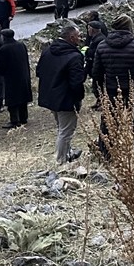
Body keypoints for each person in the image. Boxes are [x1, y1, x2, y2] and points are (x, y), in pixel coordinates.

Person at [94, 15, 134, 155]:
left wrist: (99, 94)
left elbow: (97, 73)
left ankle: (106, 154)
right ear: (129, 27)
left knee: (108, 124)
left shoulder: (102, 46)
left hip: (111, 91)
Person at [36, 22, 86, 164]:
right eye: (78, 36)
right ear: (71, 37)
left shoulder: (47, 51)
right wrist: (79, 97)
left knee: (61, 128)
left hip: (50, 96)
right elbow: (77, 82)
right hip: (66, 98)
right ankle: (61, 161)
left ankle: (67, 152)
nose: (80, 38)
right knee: (66, 131)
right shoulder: (74, 57)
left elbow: (39, 71)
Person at [0, 28, 32, 128]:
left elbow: (2, 66)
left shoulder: (3, 49)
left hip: (11, 77)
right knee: (23, 97)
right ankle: (24, 118)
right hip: (23, 75)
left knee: (12, 100)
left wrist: (1, 73)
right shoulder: (21, 45)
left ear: (3, 37)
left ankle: (14, 120)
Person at [83, 20, 107, 109]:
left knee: (99, 86)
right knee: (96, 86)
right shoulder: (95, 38)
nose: (88, 31)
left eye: (89, 29)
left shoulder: (100, 39)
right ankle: (99, 101)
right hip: (93, 66)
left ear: (92, 30)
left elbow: (95, 52)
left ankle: (103, 103)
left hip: (98, 67)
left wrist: (87, 51)